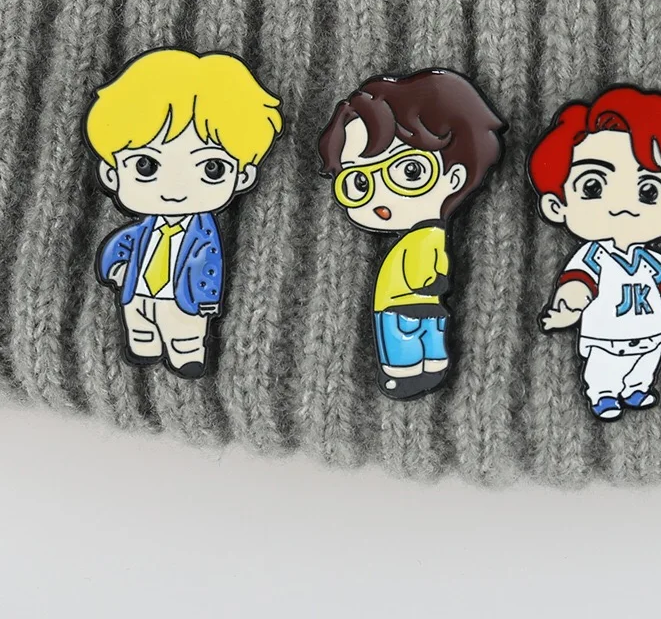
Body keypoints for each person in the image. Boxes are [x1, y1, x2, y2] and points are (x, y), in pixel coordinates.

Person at [84, 48, 283, 379]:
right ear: (111, 173)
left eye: (212, 167)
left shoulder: (204, 235)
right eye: (146, 165)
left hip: (184, 299)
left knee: (185, 332)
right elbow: (125, 241)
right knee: (139, 325)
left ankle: (187, 354)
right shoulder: (143, 229)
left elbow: (210, 264)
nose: (175, 188)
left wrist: (206, 301)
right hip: (137, 291)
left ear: (243, 176)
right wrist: (115, 268)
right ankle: (144, 345)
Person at [319, 69, 505, 399]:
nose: (381, 198)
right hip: (409, 306)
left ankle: (416, 372)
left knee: (415, 343)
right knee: (413, 342)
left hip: (409, 306)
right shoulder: (425, 236)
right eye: (359, 182)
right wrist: (433, 283)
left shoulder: (427, 235)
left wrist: (433, 283)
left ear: (455, 177)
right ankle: (413, 371)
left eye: (410, 171)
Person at [529, 85, 661, 420]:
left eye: (648, 190)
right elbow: (578, 281)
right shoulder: (594, 256)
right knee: (603, 369)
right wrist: (569, 304)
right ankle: (603, 395)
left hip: (651, 332)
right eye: (593, 186)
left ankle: (638, 388)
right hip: (606, 335)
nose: (623, 204)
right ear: (556, 205)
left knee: (646, 363)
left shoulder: (651, 258)